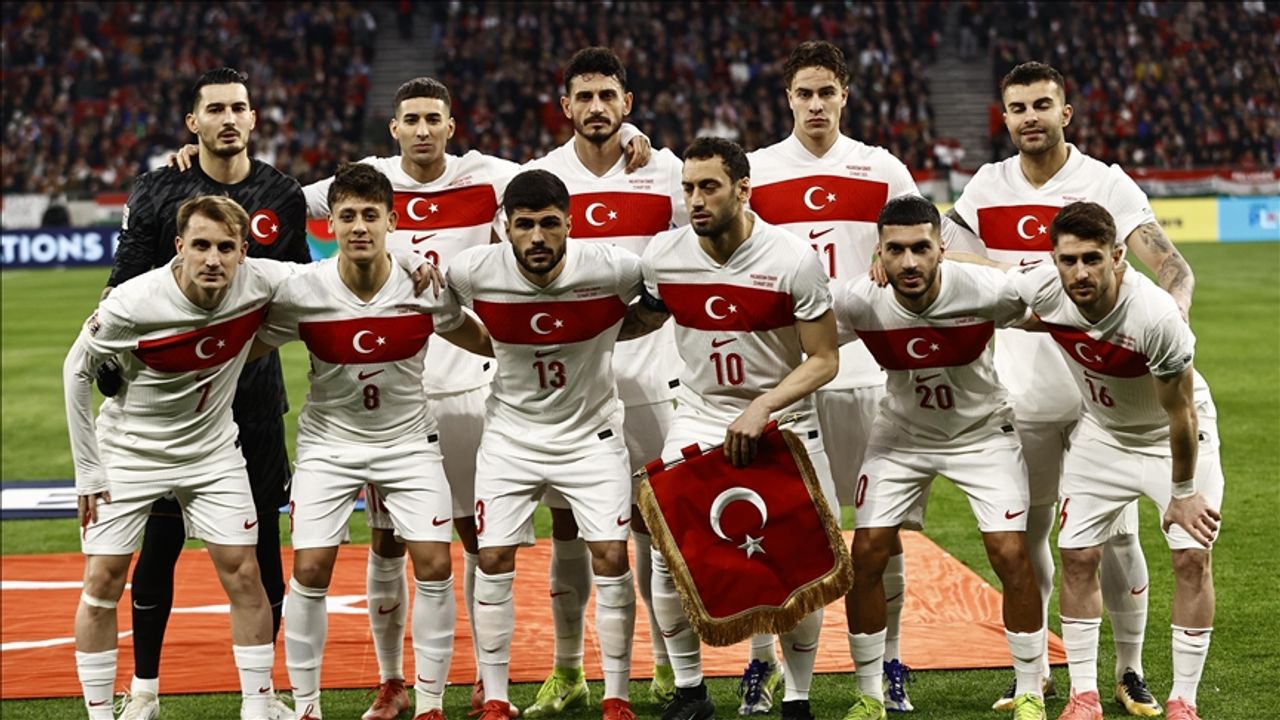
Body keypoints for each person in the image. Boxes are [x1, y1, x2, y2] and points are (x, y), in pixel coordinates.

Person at [947, 61, 1196, 714]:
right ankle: (1033, 676)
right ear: (1005, 117)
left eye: (1042, 104)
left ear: (1066, 112)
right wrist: (1003, 274)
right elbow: (946, 248)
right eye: (1018, 107)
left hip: (1101, 404)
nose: (1030, 117)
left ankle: (1129, 670)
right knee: (1029, 536)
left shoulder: (1104, 182)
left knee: (1116, 539)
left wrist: (1175, 311)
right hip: (1019, 395)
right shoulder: (986, 185)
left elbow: (1170, 262)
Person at [103, 66, 309, 720]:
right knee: (159, 548)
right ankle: (144, 691)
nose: (228, 118)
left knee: (262, 551)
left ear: (253, 118)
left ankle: (263, 695)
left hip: (252, 399)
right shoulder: (160, 189)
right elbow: (121, 289)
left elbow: (301, 293)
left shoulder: (282, 193)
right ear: (193, 123)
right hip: (172, 407)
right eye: (215, 109)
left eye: (238, 107)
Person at [256, 163, 492, 720]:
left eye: (370, 215)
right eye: (347, 216)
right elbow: (247, 345)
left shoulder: (425, 289)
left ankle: (430, 704)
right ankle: (308, 709)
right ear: (330, 224)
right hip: (329, 444)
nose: (359, 226)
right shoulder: (302, 291)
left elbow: (481, 338)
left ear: (392, 221)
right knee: (310, 571)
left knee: (434, 563)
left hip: (409, 441)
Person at [624, 137, 839, 720]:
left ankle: (797, 699)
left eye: (709, 187)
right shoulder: (663, 257)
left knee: (801, 560)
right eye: (688, 188)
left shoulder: (793, 259)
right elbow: (637, 318)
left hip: (784, 418)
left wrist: (764, 406)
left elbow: (824, 359)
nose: (695, 199)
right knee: (668, 551)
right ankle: (691, 691)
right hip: (699, 414)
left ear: (743, 190)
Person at [65, 195, 294, 720]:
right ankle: (101, 714)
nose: (213, 259)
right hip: (130, 451)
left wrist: (408, 265)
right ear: (179, 247)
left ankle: (258, 706)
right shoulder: (133, 301)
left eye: (226, 248)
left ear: (243, 252)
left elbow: (332, 276)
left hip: (212, 452)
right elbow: (76, 371)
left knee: (245, 574)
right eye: (201, 246)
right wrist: (89, 470)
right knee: (102, 581)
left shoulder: (261, 281)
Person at [745, 40, 921, 714]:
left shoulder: (882, 169)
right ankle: (764, 662)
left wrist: (891, 257)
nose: (815, 104)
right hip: (787, 380)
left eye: (826, 92)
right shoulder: (757, 171)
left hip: (872, 374)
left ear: (845, 94)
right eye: (804, 93)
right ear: (787, 98)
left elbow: (920, 246)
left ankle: (891, 661)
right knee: (780, 534)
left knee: (881, 532)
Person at [833, 196, 1047, 720]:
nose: (909, 262)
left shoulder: (985, 290)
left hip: (983, 433)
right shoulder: (859, 301)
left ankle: (1030, 691)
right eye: (896, 250)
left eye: (921, 248)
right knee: (866, 554)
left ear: (941, 248)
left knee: (1009, 553)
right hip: (901, 435)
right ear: (878, 252)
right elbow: (802, 336)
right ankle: (869, 694)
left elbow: (1048, 308)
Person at [519, 46, 687, 716]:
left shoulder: (667, 173)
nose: (596, 107)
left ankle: (669, 666)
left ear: (628, 103)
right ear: (565, 106)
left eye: (607, 96)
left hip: (654, 378)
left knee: (654, 528)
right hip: (571, 387)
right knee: (568, 527)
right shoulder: (541, 179)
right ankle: (569, 670)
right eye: (583, 97)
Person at [1005, 202, 1221, 720]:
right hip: (1102, 436)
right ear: (1053, 260)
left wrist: (1183, 492)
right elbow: (985, 278)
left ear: (1118, 257)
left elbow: (1182, 413)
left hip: (1173, 439)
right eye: (1069, 260)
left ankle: (1184, 700)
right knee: (1078, 556)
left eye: (1092, 259)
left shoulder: (1155, 316)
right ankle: (1083, 696)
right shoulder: (1045, 287)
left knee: (1192, 559)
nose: (1080, 272)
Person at [451, 169, 641, 720]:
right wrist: (486, 340)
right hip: (510, 437)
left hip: (591, 436)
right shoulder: (472, 270)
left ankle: (617, 697)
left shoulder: (612, 267)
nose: (538, 237)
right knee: (492, 556)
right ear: (505, 227)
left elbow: (658, 300)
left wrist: (605, 331)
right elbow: (438, 308)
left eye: (550, 224)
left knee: (611, 555)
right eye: (525, 225)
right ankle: (495, 698)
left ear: (570, 224)